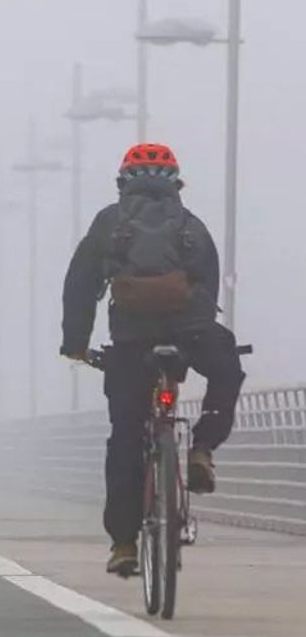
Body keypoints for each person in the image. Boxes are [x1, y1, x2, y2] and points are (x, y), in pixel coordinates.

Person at [60, 143, 245, 576]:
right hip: (191, 332)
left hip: (131, 340)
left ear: (123, 181)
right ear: (176, 184)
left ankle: (124, 543)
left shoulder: (109, 222)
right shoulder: (191, 225)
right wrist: (195, 330)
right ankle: (201, 448)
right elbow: (209, 287)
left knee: (126, 435)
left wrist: (76, 342)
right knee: (227, 369)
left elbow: (80, 285)